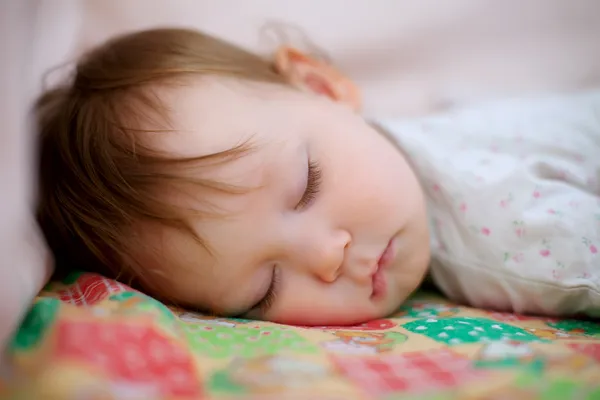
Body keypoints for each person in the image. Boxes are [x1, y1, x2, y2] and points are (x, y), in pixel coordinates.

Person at [36, 28, 600, 326]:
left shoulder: (506, 229)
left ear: (322, 87)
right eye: (266, 290)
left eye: (307, 184)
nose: (327, 258)